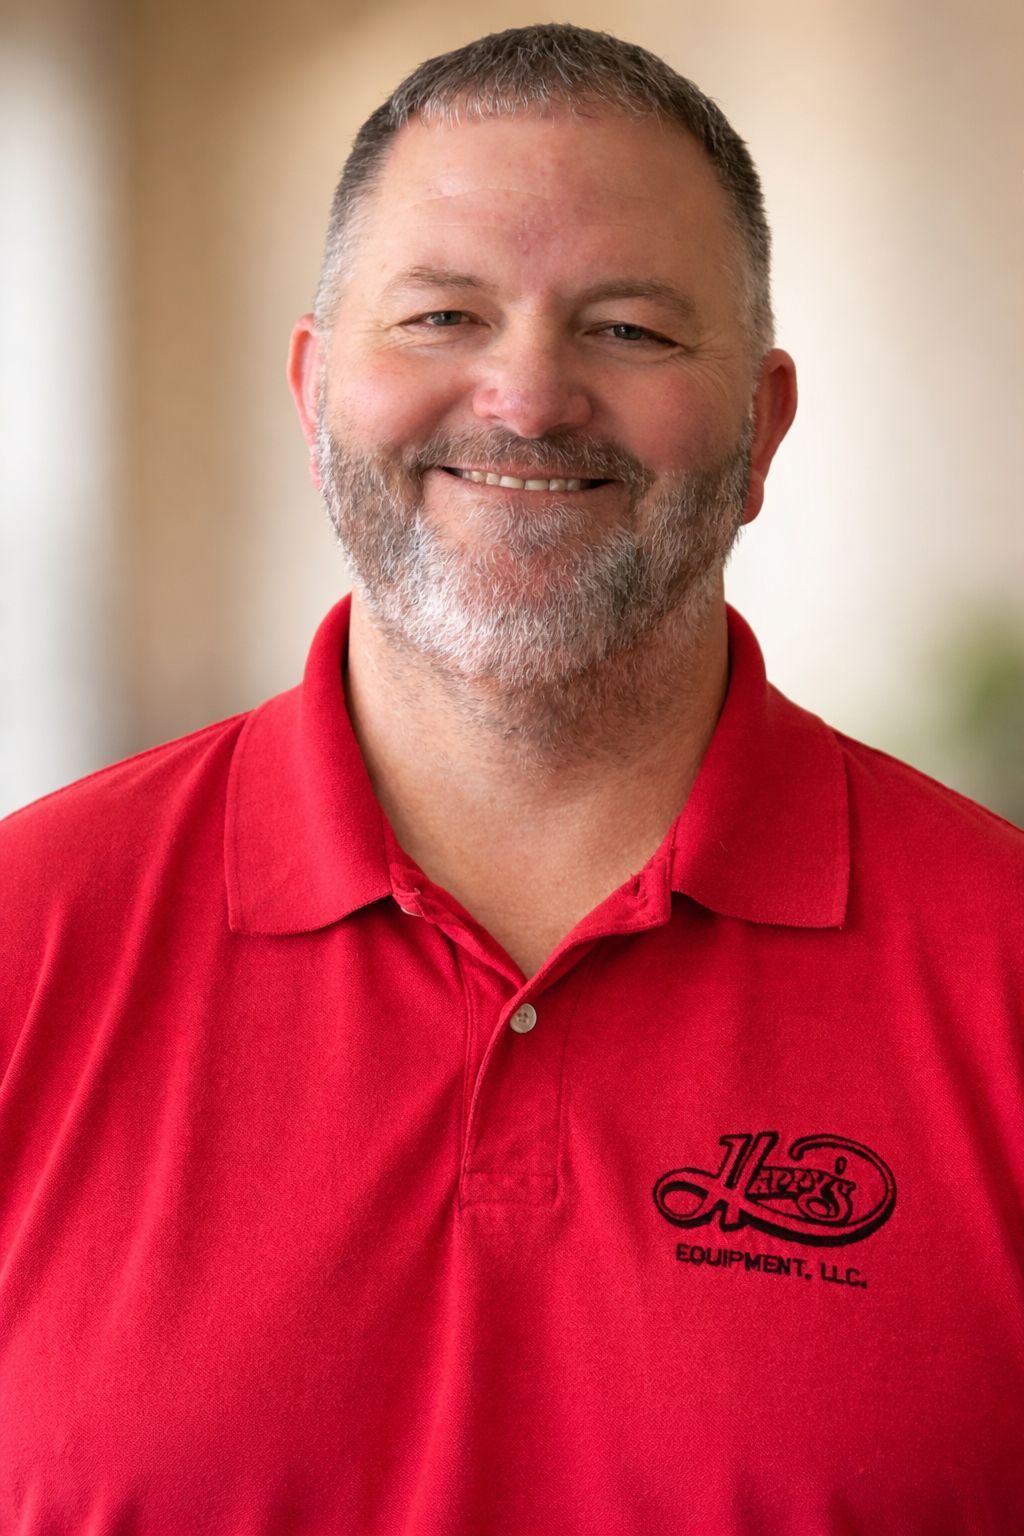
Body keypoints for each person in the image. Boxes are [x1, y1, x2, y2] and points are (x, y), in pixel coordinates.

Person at [0, 22, 1021, 1535]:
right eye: (441, 316)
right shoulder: (24, 938)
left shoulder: (1002, 967)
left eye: (631, 329)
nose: (529, 398)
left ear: (762, 428)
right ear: (313, 394)